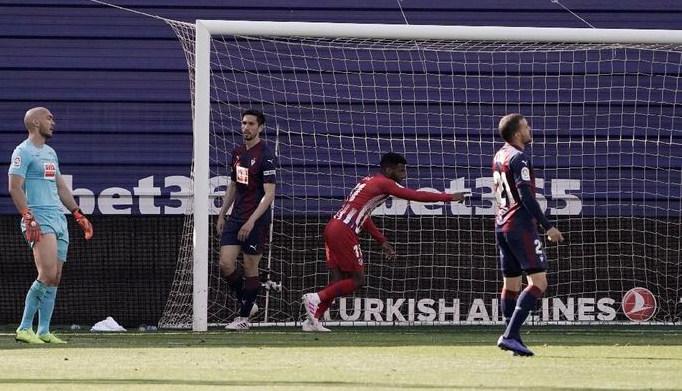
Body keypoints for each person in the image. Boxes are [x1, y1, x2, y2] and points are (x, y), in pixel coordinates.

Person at [301, 152, 466, 332]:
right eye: (400, 170)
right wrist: (450, 197)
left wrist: (381, 240)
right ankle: (315, 298)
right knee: (358, 280)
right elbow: (414, 196)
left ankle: (313, 321)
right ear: (388, 169)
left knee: (338, 279)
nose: (404, 174)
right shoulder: (384, 183)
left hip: (333, 227)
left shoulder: (369, 181)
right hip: (344, 231)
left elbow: (364, 216)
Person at [8, 107, 93, 344]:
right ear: (35, 122)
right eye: (49, 118)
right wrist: (28, 216)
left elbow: (60, 187)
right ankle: (24, 328)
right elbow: (14, 187)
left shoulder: (50, 153)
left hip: (58, 217)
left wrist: (77, 213)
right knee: (46, 274)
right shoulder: (22, 152)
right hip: (39, 217)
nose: (53, 122)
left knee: (55, 277)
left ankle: (43, 330)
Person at [492, 113, 564, 356]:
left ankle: (514, 340)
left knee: (511, 284)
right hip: (519, 226)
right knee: (539, 282)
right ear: (516, 134)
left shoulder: (499, 155)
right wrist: (548, 226)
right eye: (525, 126)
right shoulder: (519, 158)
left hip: (501, 226)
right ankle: (510, 335)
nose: (529, 129)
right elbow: (526, 198)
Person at [216, 109, 276, 330]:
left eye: (251, 124)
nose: (246, 128)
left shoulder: (266, 155)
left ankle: (242, 319)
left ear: (260, 127)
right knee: (225, 263)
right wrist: (222, 213)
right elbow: (233, 186)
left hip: (256, 220)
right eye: (243, 123)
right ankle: (247, 302)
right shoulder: (238, 152)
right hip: (235, 216)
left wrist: (251, 221)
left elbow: (269, 194)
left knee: (250, 266)